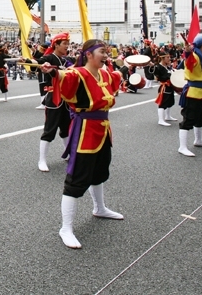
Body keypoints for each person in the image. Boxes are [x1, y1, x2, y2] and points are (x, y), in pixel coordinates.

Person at [41, 39, 123, 249]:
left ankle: (100, 208)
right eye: (102, 52)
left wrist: (122, 66)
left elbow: (116, 78)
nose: (106, 56)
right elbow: (62, 76)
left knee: (99, 171)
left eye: (106, 52)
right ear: (88, 54)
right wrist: (51, 72)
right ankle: (65, 228)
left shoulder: (104, 73)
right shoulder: (77, 73)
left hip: (103, 130)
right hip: (85, 130)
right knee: (77, 178)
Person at [26, 33, 72, 172]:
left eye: (67, 43)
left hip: (67, 99)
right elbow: (37, 62)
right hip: (54, 99)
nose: (67, 46)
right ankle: (42, 160)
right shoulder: (50, 57)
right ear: (56, 45)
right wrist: (30, 61)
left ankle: (68, 154)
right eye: (64, 44)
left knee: (66, 129)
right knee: (50, 130)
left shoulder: (66, 60)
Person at [177, 34, 202, 157]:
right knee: (188, 119)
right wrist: (187, 52)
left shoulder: (200, 56)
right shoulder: (193, 56)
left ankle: (198, 140)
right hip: (193, 92)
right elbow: (189, 61)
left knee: (201, 117)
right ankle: (182, 147)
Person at [153, 51, 177, 126]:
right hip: (164, 87)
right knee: (162, 103)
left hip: (169, 86)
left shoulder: (167, 66)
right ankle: (160, 120)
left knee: (170, 102)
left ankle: (168, 116)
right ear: (162, 58)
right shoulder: (158, 67)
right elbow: (159, 77)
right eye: (167, 57)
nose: (169, 59)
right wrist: (169, 75)